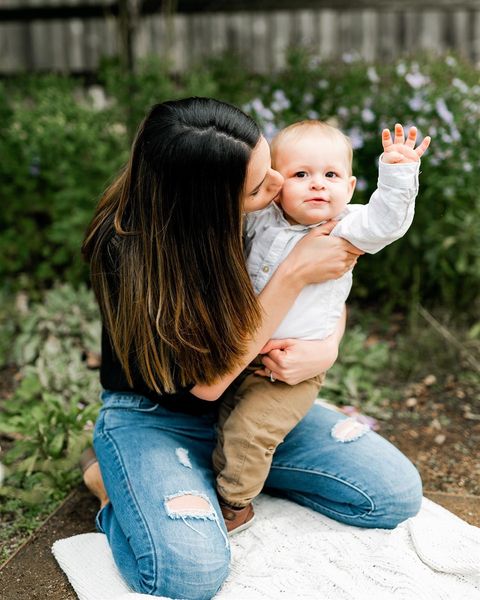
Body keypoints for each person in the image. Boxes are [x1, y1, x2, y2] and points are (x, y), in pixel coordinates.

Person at [81, 97, 424, 600]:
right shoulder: (129, 252)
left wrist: (327, 348)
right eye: (262, 183)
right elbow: (207, 383)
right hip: (156, 414)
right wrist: (294, 273)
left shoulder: (267, 216)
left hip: (252, 393)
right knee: (188, 573)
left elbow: (330, 293)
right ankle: (112, 481)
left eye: (272, 168)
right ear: (211, 203)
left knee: (393, 494)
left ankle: (222, 466)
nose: (281, 185)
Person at [212, 120, 430, 534]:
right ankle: (234, 474)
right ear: (275, 185)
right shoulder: (261, 220)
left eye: (330, 175)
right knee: (227, 427)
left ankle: (234, 503)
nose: (317, 184)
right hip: (240, 356)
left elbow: (387, 221)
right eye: (300, 174)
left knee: (250, 431)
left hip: (288, 371)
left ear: (349, 187)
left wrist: (398, 172)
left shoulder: (345, 228)